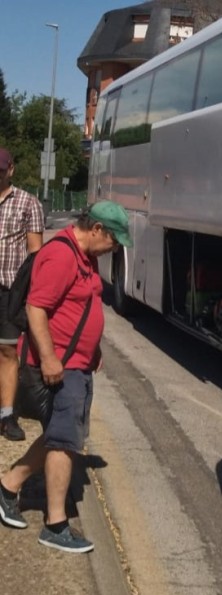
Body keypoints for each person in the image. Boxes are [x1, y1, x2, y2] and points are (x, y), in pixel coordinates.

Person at [0, 200, 132, 552]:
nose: (114, 249)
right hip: (60, 365)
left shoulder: (84, 255)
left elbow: (82, 306)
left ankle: (8, 486)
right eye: (114, 241)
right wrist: (49, 358)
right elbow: (36, 308)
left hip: (76, 364)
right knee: (63, 441)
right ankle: (55, 525)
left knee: (62, 436)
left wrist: (94, 350)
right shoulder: (61, 256)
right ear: (97, 230)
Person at [0, 147, 44, 441]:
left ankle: (6, 416)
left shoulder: (29, 203)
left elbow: (36, 255)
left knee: (6, 352)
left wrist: (32, 297)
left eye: (0, 171)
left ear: (11, 169)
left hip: (9, 291)